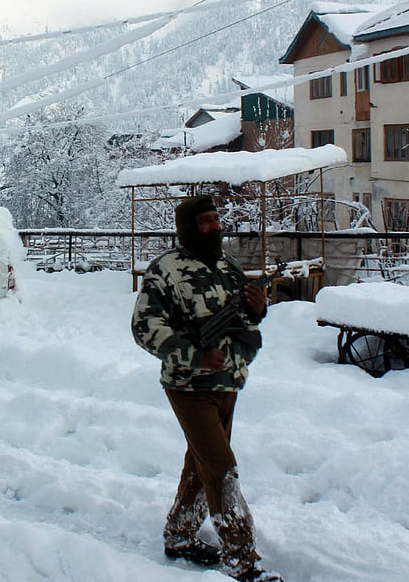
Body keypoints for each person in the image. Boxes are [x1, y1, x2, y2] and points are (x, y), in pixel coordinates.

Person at [131, 195, 282, 582]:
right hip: (189, 385)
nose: (215, 225)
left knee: (202, 466)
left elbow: (246, 319)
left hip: (229, 379)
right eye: (206, 221)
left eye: (216, 218)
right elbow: (144, 328)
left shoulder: (227, 266)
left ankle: (180, 536)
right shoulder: (164, 270)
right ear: (188, 227)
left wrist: (257, 307)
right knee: (220, 468)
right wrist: (194, 356)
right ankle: (241, 559)